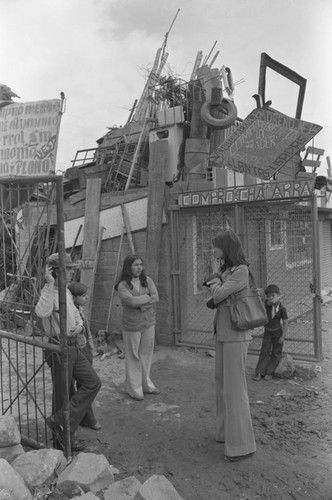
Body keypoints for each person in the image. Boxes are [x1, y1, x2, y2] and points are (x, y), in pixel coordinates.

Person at [35, 253, 101, 452]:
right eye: (69, 268)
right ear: (55, 272)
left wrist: (80, 326)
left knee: (93, 382)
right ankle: (63, 441)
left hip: (74, 345)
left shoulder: (66, 291)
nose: (72, 272)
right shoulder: (49, 292)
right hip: (57, 346)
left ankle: (59, 421)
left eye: (71, 268)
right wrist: (48, 285)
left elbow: (75, 314)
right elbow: (41, 312)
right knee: (63, 394)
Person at [206, 230, 256, 462]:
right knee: (222, 385)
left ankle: (242, 445)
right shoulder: (225, 270)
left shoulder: (241, 271)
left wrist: (215, 282)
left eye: (215, 247)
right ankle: (225, 433)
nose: (213, 250)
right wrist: (217, 277)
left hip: (236, 335)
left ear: (226, 248)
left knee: (235, 389)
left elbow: (218, 295)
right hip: (224, 334)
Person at [115, 254, 160, 401]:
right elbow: (131, 302)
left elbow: (156, 298)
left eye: (141, 264)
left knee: (146, 354)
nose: (139, 267)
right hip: (132, 325)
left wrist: (140, 303)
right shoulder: (122, 285)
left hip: (148, 323)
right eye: (135, 265)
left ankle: (146, 385)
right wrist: (147, 299)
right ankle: (134, 389)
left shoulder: (148, 280)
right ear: (129, 267)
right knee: (133, 356)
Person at [67, 281, 101, 430]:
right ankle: (78, 419)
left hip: (85, 350)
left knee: (85, 385)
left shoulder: (81, 310)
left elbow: (87, 332)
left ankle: (87, 418)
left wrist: (90, 348)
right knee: (70, 387)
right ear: (73, 297)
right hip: (75, 350)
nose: (87, 298)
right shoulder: (69, 313)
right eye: (83, 295)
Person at [253, 284, 288, 381]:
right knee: (264, 352)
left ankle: (269, 372)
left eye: (273, 295)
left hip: (278, 333)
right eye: (268, 296)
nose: (270, 298)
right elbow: (272, 302)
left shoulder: (282, 308)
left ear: (277, 295)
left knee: (276, 353)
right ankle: (260, 372)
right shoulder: (267, 304)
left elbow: (285, 322)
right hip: (267, 332)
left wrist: (283, 336)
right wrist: (281, 295)